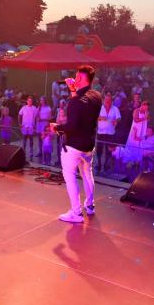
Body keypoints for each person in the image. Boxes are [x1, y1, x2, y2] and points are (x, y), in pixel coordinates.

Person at [54, 65, 103, 223]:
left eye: (76, 76)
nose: (74, 79)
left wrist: (57, 128)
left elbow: (72, 126)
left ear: (81, 78)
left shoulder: (75, 102)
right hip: (88, 145)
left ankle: (76, 213)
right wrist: (74, 90)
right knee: (87, 174)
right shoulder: (97, 96)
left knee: (69, 176)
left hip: (74, 146)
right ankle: (90, 206)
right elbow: (82, 106)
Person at [96, 92, 121, 173]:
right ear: (104, 100)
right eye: (106, 100)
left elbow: (119, 118)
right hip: (101, 133)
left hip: (110, 133)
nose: (107, 102)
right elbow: (94, 116)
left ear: (111, 101)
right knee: (99, 150)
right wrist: (100, 118)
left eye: (109, 100)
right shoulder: (100, 108)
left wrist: (115, 120)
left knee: (109, 150)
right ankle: (98, 165)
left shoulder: (115, 109)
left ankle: (106, 166)